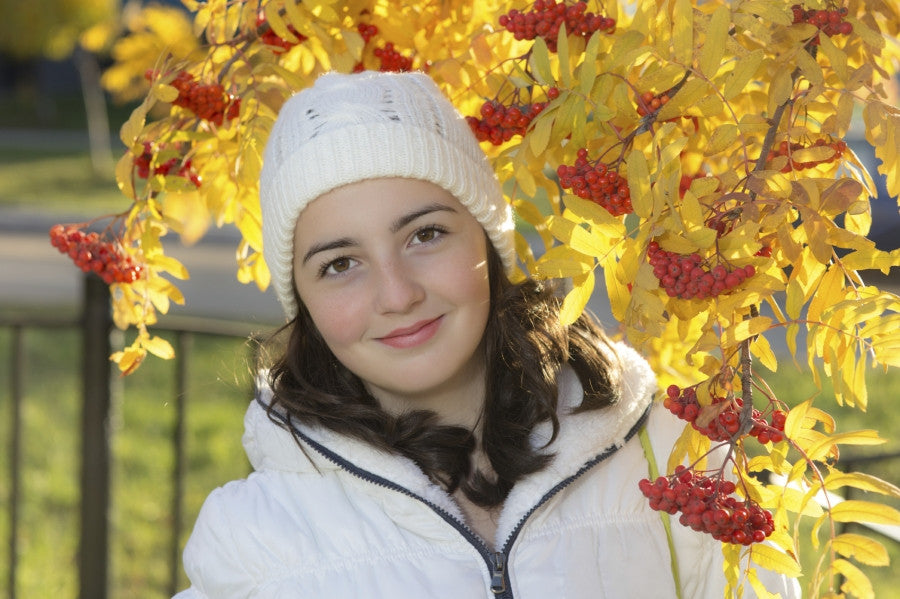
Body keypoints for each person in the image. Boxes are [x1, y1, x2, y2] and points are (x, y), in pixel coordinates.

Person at [173, 70, 799, 598]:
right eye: (340, 264)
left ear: (490, 242)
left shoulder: (679, 465)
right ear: (303, 304)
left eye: (425, 234)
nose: (397, 294)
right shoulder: (250, 543)